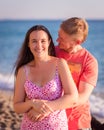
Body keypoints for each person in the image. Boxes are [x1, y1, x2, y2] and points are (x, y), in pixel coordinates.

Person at [13, 25, 78, 130]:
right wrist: (33, 103)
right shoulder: (23, 70)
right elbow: (17, 107)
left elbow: (73, 98)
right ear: (28, 44)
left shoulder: (60, 64)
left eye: (43, 41)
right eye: (34, 41)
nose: (39, 45)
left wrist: (44, 109)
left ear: (49, 42)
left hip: (57, 127)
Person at [55, 17, 98, 130]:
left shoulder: (89, 61)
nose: (57, 40)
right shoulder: (52, 52)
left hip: (77, 123)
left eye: (62, 38)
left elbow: (82, 97)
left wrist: (50, 106)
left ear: (77, 42)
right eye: (58, 35)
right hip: (53, 120)